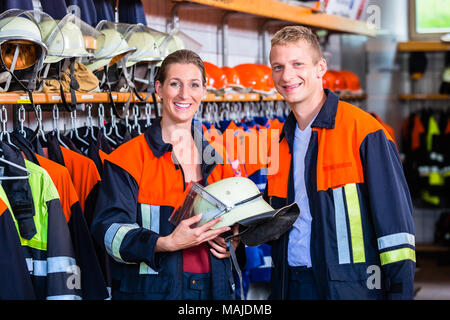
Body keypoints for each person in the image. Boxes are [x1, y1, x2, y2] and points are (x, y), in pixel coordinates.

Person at [265, 26, 415, 300]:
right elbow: (280, 218)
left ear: (320, 67)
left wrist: (401, 292)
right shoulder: (280, 142)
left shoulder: (363, 131)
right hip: (291, 284)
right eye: (278, 66)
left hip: (352, 289)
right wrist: (239, 234)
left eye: (297, 64)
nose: (287, 76)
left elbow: (396, 230)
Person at [91, 49, 242, 300]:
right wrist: (166, 243)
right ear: (159, 89)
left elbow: (234, 221)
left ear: (203, 91)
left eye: (194, 85)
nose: (185, 94)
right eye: (175, 84)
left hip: (215, 289)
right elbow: (108, 233)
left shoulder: (217, 158)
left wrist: (235, 242)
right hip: (154, 293)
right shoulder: (127, 158)